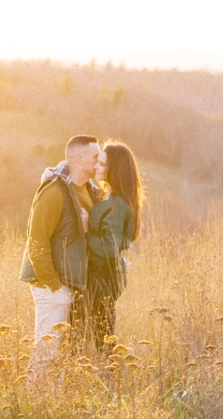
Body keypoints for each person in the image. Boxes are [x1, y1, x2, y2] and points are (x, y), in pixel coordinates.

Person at [18, 134, 103, 381]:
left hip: (73, 284)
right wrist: (53, 286)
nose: (99, 162)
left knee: (62, 354)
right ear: (79, 159)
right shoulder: (54, 191)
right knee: (46, 352)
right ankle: (34, 408)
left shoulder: (89, 190)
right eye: (96, 156)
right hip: (53, 285)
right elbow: (36, 241)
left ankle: (53, 409)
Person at [80, 141, 145, 353]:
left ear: (114, 169)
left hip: (104, 274)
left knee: (103, 337)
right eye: (97, 162)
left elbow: (110, 247)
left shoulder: (117, 205)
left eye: (102, 164)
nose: (96, 167)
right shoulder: (107, 196)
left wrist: (86, 231)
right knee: (97, 332)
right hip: (101, 273)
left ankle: (110, 380)